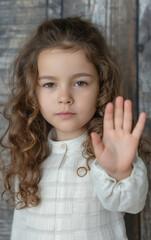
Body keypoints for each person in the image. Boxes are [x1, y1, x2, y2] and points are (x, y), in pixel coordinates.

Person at [0, 16, 148, 240]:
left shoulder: (111, 152)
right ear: (33, 92)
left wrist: (120, 173)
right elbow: (21, 230)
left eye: (80, 83)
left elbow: (132, 204)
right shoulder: (29, 155)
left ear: (101, 87)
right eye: (50, 84)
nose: (65, 98)